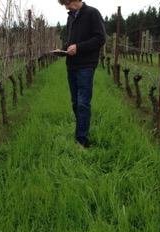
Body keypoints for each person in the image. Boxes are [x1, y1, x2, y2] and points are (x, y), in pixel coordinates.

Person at [58, 0, 106, 148]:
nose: (66, 7)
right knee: (75, 103)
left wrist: (78, 47)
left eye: (68, 3)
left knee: (83, 103)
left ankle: (81, 140)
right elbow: (70, 41)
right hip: (71, 65)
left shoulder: (92, 13)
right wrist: (63, 50)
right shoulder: (70, 17)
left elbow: (100, 39)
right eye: (64, 5)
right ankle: (81, 131)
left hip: (86, 66)